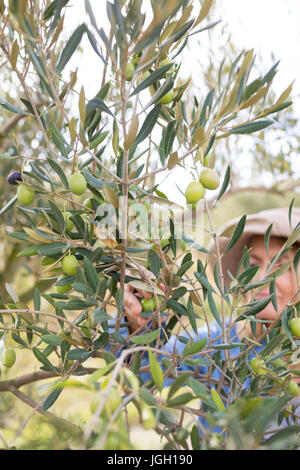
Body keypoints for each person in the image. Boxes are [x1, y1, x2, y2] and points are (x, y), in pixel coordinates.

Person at [119, 206, 300, 439]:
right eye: (253, 264)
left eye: (280, 265)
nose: (262, 278)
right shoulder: (222, 341)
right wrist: (138, 324)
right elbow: (139, 376)